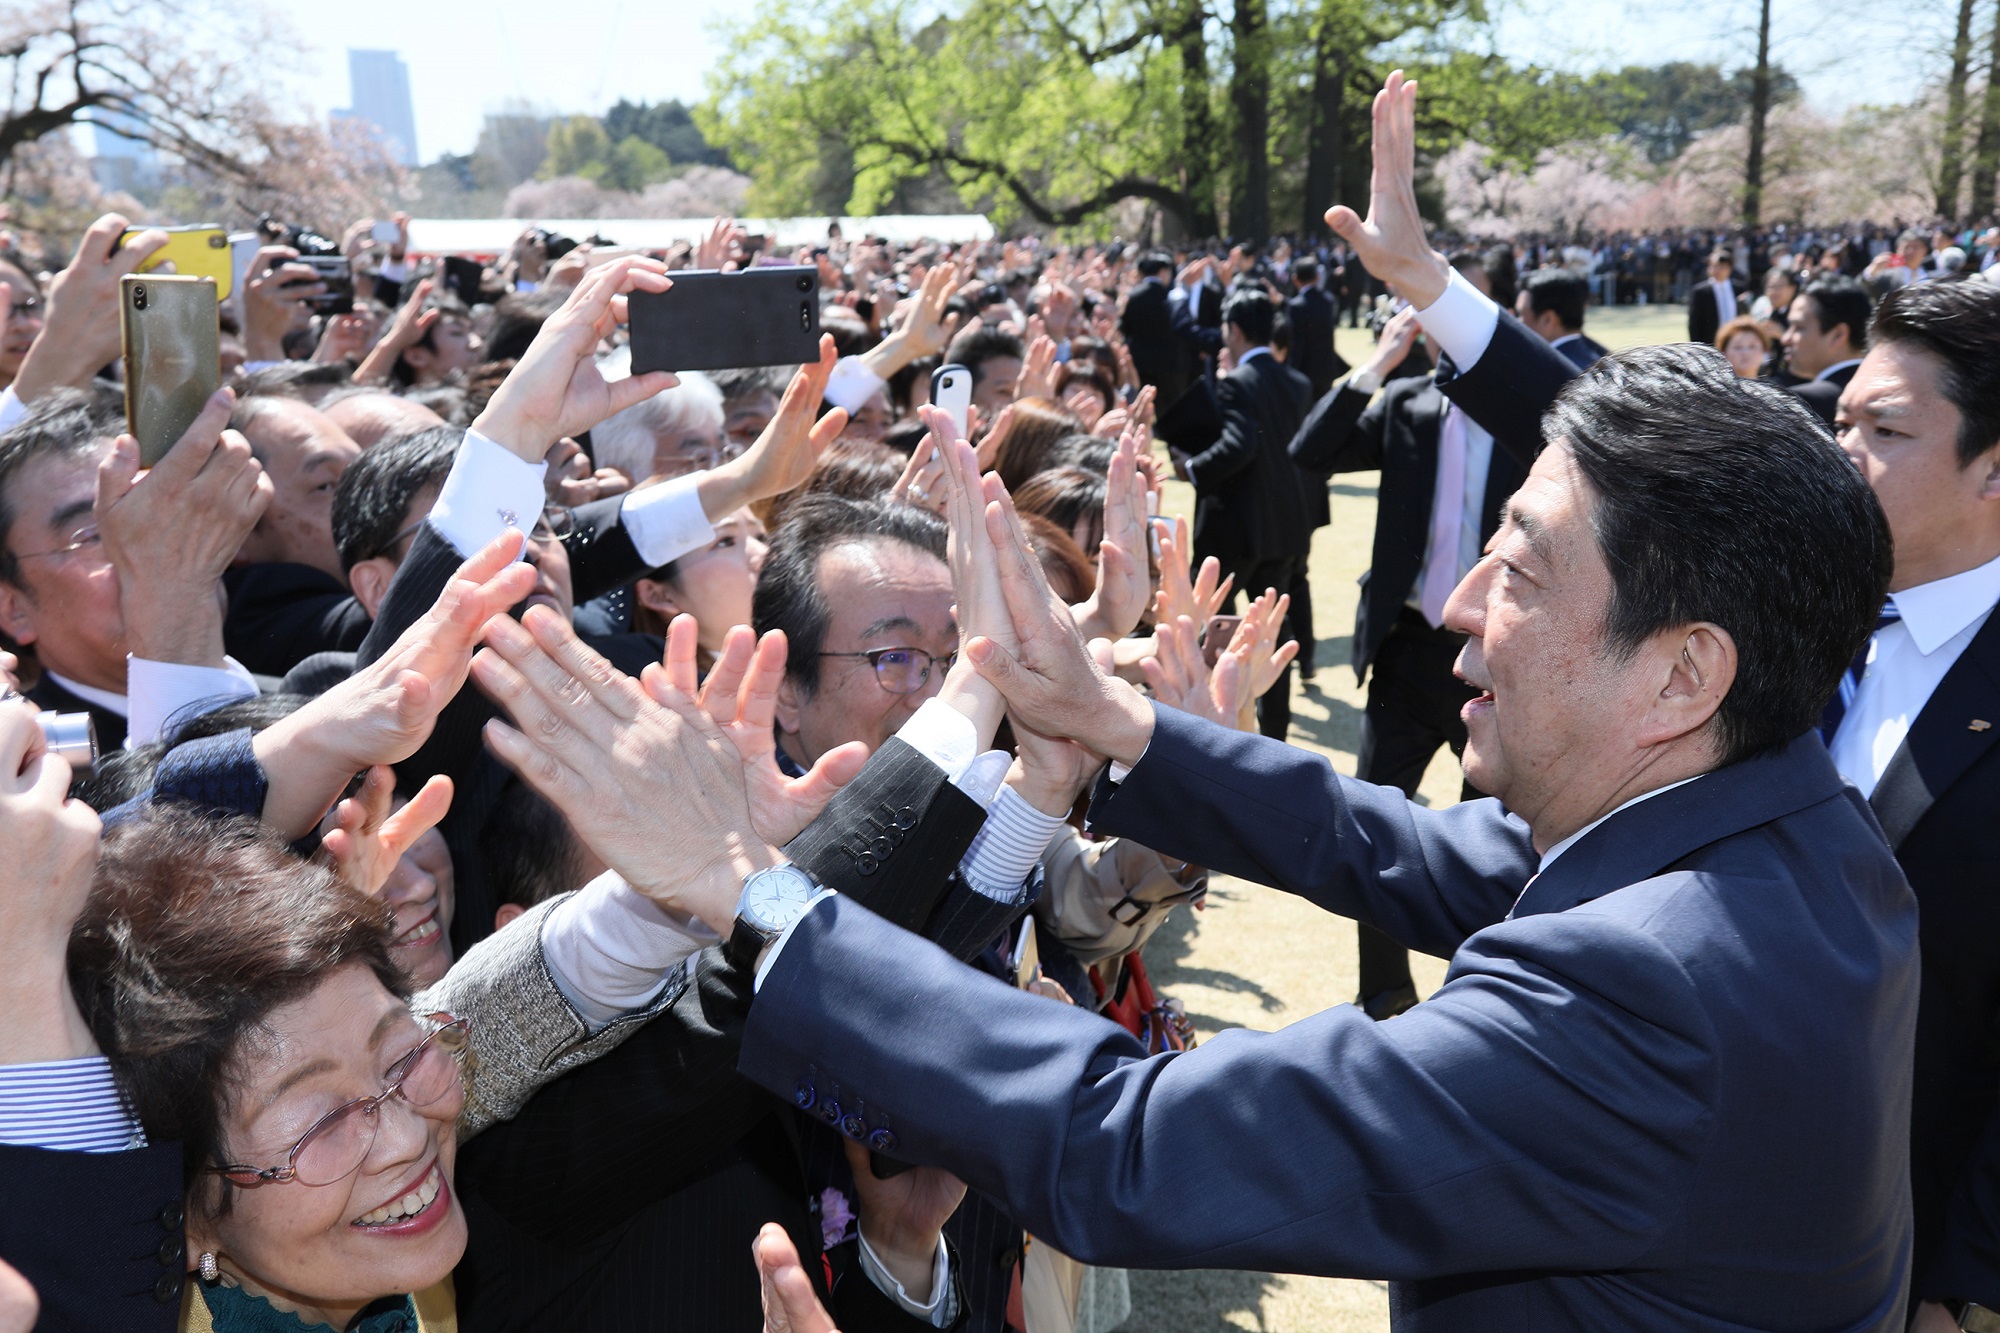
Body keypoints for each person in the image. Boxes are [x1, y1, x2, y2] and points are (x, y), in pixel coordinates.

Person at [521, 74, 1913, 1333]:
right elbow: (1400, 847)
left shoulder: (1643, 992)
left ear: (1687, 671)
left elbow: (1128, 1140)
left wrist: (749, 890)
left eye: (1526, 569)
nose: (1459, 604)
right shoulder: (1790, 839)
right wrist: (1122, 728)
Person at [1820, 279, 2000, 1333]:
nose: (1841, 449)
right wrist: (1434, 293)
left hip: (1904, 1250)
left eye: (1882, 430)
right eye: (1839, 418)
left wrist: (1964, 1288)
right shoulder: (1797, 607)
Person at [1287, 267, 1529, 1020]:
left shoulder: (1536, 415)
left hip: (1494, 662)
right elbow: (1310, 447)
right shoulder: (1410, 403)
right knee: (1371, 827)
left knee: (1494, 845)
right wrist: (1377, 364)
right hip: (1402, 651)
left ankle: (1478, 997)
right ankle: (1384, 994)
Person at [0, 389, 268, 753]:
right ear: (13, 607)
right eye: (94, 535)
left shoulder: (310, 698)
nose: (151, 540)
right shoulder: (32, 769)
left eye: (157, 511)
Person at [1168, 289, 1313, 740]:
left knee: (1213, 625)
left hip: (1234, 528)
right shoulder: (1299, 382)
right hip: (1284, 526)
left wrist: (1190, 467)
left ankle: (1216, 720)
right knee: (1272, 634)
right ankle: (1276, 734)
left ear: (1233, 330)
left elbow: (1240, 445)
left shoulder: (1237, 382)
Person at [1782, 275, 1871, 426]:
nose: (1785, 338)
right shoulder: (1891, 394)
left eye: (1799, 327)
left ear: (1838, 335)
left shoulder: (1804, 402)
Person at [1284, 256, 1350, 400]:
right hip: (1327, 368)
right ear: (1318, 277)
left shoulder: (1296, 306)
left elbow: (1297, 343)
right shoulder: (1328, 300)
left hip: (1305, 371)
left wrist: (1291, 371)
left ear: (1295, 279)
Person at [1513, 268, 1607, 367]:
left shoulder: (1548, 370)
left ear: (1548, 320)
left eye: (1520, 314)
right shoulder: (1600, 361)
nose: (1516, 322)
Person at [1686, 246, 1745, 346]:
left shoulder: (1739, 288)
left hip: (1736, 342)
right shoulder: (1701, 291)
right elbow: (1694, 324)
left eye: (1721, 266)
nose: (1716, 270)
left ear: (1730, 268)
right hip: (1711, 344)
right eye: (1713, 266)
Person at [1714, 314, 1774, 379]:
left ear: (1764, 350)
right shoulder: (1714, 387)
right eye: (1738, 347)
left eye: (1752, 346)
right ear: (1724, 352)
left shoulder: (1775, 387)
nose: (1746, 352)